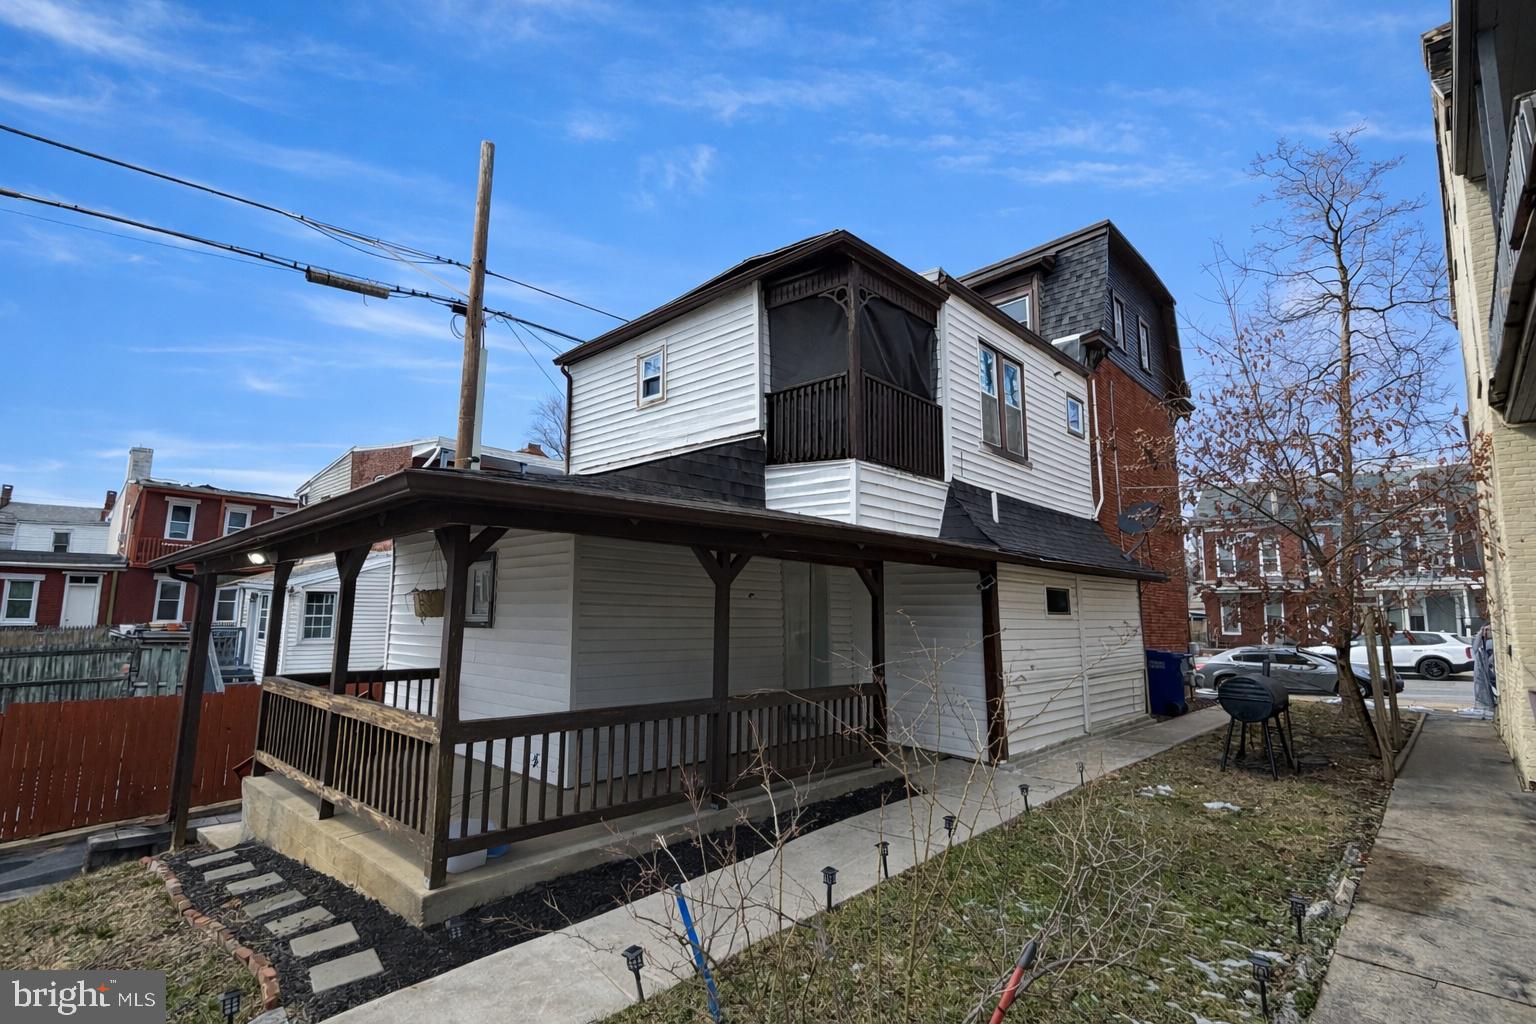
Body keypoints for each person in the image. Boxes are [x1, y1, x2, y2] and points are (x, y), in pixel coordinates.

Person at [1462, 624, 1498, 719]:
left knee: (1488, 685)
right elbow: (1476, 649)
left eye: (1488, 630)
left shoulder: (1490, 643)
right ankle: (1487, 705)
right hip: (1484, 670)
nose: (1485, 632)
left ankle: (1488, 706)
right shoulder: (1484, 643)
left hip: (1488, 671)